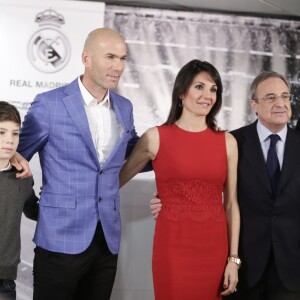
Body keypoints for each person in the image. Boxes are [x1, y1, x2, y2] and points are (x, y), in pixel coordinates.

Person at [15, 28, 142, 300]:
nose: (118, 66)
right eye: (110, 57)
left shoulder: (125, 107)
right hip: (58, 237)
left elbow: (137, 154)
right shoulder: (48, 105)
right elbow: (15, 158)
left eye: (122, 58)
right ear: (86, 58)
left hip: (106, 241)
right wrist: (32, 206)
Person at [151, 71, 300, 300]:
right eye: (270, 98)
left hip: (292, 269)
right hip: (242, 268)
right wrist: (165, 197)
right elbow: (195, 175)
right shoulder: (231, 141)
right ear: (254, 105)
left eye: (285, 96)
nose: (280, 103)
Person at [119, 59, 240, 299]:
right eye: (199, 87)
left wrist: (233, 260)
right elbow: (114, 181)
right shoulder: (155, 137)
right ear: (181, 92)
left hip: (214, 251)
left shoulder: (227, 142)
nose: (208, 95)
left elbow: (231, 203)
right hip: (173, 250)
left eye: (213, 89)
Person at [0, 101, 38, 300]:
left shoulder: (23, 178)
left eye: (15, 133)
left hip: (5, 280)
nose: (9, 140)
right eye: (1, 133)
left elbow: (35, 211)